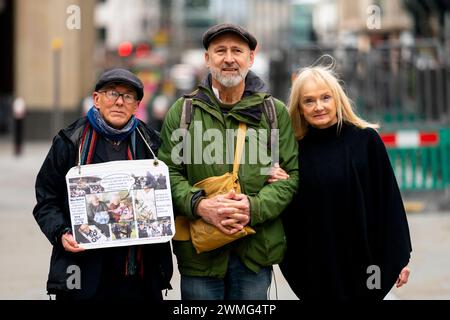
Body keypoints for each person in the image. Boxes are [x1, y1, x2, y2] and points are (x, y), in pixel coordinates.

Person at [158, 23, 299, 300]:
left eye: (237, 50)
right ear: (207, 59)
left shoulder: (274, 112)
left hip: (254, 252)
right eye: (220, 51)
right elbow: (167, 173)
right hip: (200, 257)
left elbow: (291, 176)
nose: (229, 58)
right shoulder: (183, 111)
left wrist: (253, 207)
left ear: (251, 58)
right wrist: (201, 205)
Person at [270, 58, 412, 300]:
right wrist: (276, 183)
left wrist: (398, 258)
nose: (319, 106)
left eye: (325, 97)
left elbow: (388, 203)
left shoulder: (366, 141)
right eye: (309, 101)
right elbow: (290, 218)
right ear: (299, 107)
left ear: (337, 98)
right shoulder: (292, 151)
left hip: (370, 267)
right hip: (318, 272)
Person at [33, 68, 173, 300]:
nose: (119, 102)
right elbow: (46, 200)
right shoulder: (69, 142)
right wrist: (61, 233)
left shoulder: (152, 144)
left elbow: (170, 195)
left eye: (128, 96)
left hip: (138, 276)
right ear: (96, 99)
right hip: (83, 273)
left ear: (137, 105)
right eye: (112, 94)